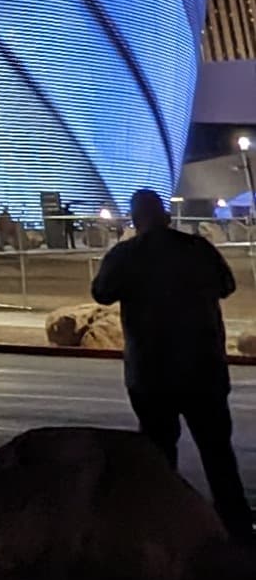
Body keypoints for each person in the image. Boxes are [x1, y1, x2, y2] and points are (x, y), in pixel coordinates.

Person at [92, 188, 255, 543]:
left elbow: (101, 292)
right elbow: (226, 285)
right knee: (217, 452)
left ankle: (162, 527)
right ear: (165, 215)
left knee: (158, 454)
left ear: (136, 220)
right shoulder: (197, 249)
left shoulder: (126, 255)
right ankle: (236, 525)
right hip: (203, 369)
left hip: (152, 374)